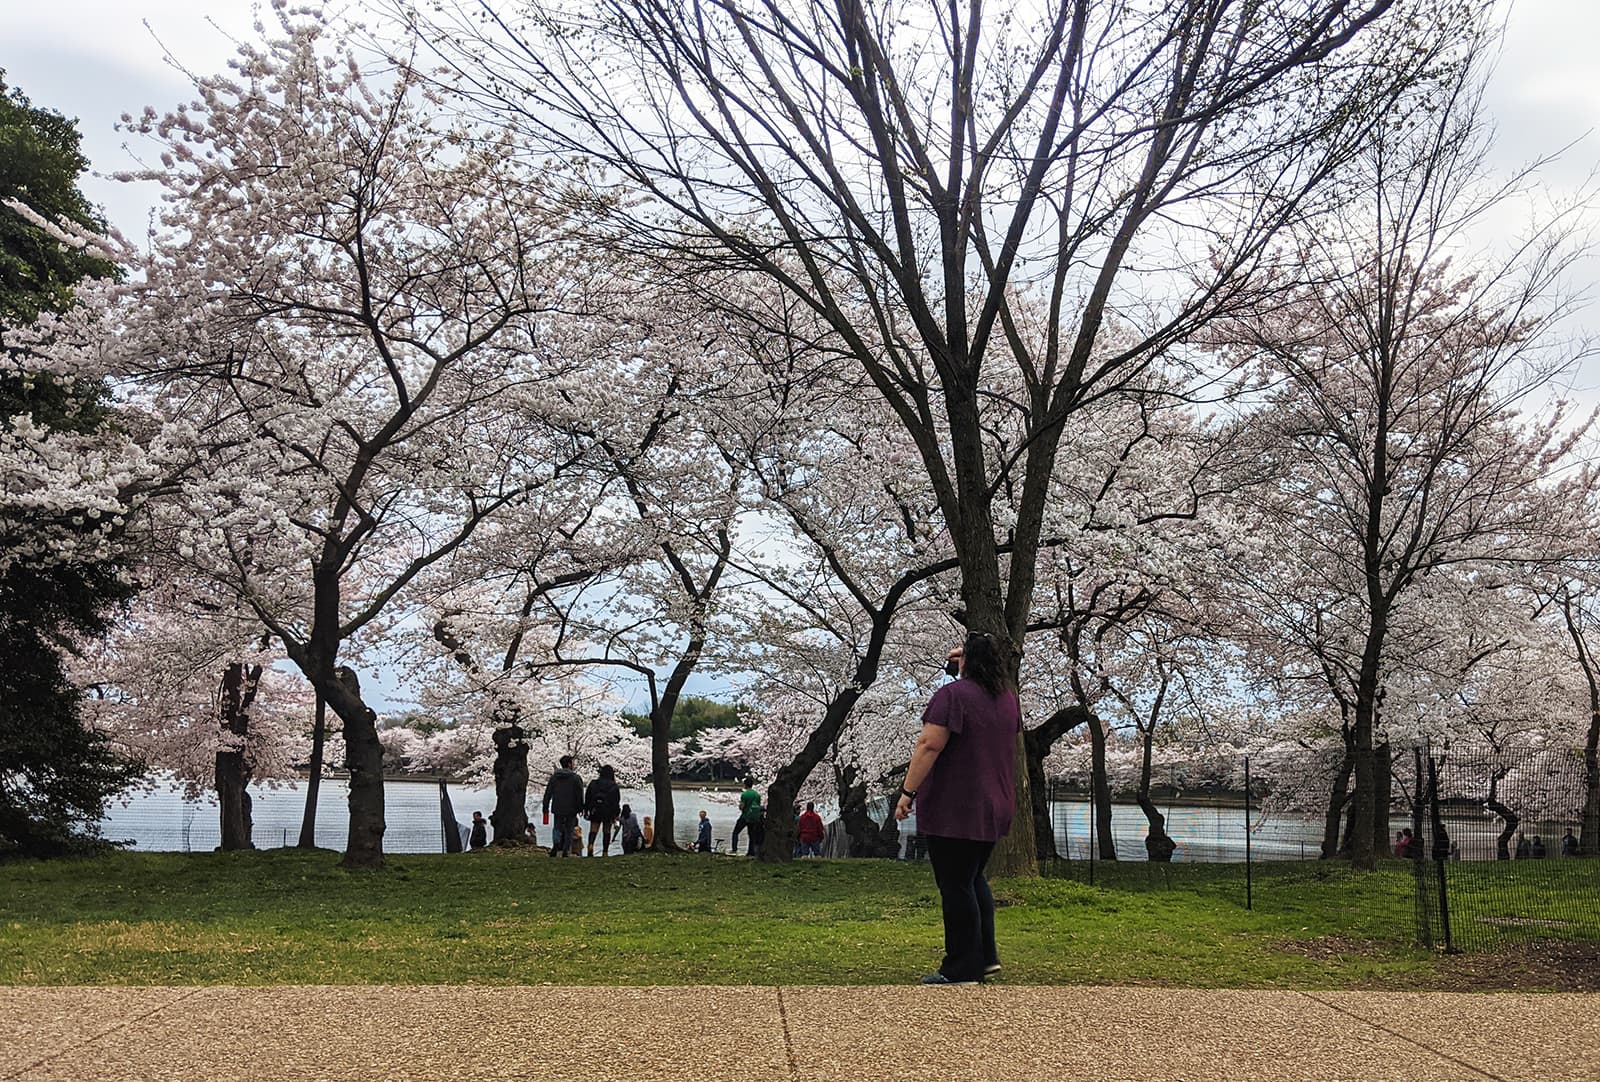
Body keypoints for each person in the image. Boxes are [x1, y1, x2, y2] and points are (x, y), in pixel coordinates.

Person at [895, 633, 1020, 985]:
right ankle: (986, 957)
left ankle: (962, 966)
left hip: (957, 808)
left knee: (955, 884)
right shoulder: (1007, 700)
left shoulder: (951, 696)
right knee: (972, 878)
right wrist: (965, 662)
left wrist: (907, 792)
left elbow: (928, 745)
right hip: (995, 804)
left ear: (967, 660)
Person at [541, 755, 585, 859]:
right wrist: (580, 807)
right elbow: (579, 794)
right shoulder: (575, 778)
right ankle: (566, 851)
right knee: (569, 829)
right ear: (569, 764)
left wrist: (545, 806)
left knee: (557, 827)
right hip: (571, 807)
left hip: (557, 806)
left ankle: (556, 844)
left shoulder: (555, 777)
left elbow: (548, 793)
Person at [584, 764, 623, 857]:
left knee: (593, 829)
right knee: (607, 831)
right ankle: (605, 852)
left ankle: (590, 845)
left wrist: (586, 809)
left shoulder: (594, 783)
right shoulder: (613, 786)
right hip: (608, 811)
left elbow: (588, 797)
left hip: (595, 809)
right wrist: (616, 813)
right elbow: (616, 801)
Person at [731, 778, 760, 854]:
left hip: (745, 817)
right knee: (751, 835)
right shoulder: (757, 795)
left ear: (745, 785)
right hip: (754, 818)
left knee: (735, 832)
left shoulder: (745, 794)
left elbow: (742, 806)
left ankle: (734, 849)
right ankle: (751, 852)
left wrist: (741, 807)